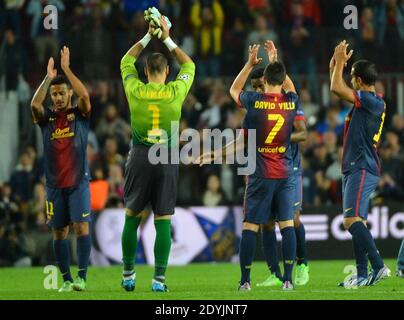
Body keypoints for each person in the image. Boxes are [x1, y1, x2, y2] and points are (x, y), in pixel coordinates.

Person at [120, 14, 195, 292]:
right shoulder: (175, 91)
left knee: (132, 216)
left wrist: (148, 36)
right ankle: (159, 280)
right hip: (166, 158)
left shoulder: (135, 89)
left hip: (139, 155)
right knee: (163, 220)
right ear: (165, 72)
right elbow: (189, 64)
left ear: (146, 71)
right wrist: (166, 38)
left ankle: (128, 274)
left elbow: (125, 61)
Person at [228, 41, 302, 291]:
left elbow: (234, 89)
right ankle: (289, 280)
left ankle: (245, 281)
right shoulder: (291, 102)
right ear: (281, 80)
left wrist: (250, 64)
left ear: (265, 79)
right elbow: (289, 85)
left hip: (261, 173)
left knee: (251, 225)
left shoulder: (255, 101)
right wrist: (274, 59)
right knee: (286, 224)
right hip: (284, 173)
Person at [30, 46, 92, 292]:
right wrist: (47, 78)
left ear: (69, 94)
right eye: (54, 94)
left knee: (81, 227)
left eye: (61, 93)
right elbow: (34, 104)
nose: (56, 98)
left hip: (78, 182)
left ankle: (82, 278)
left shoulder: (80, 114)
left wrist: (66, 69)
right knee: (59, 232)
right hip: (54, 185)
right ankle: (66, 280)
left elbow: (85, 96)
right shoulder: (47, 119)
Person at [330, 40, 390, 288]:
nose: (350, 80)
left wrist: (340, 64)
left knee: (350, 221)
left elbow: (336, 88)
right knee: (358, 222)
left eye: (352, 76)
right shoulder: (369, 100)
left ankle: (378, 266)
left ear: (359, 80)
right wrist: (337, 60)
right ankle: (363, 274)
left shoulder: (371, 101)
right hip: (355, 166)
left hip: (362, 166)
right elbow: (337, 82)